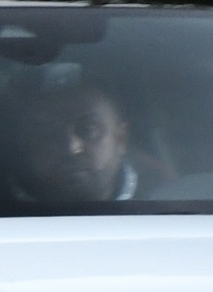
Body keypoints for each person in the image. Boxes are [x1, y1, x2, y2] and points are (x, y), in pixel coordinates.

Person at [13, 84, 164, 203]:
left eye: (88, 130)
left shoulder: (169, 204)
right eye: (48, 134)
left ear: (120, 139)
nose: (71, 148)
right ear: (25, 144)